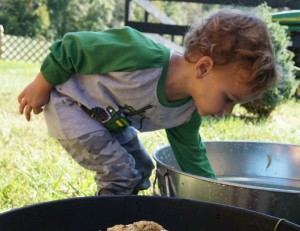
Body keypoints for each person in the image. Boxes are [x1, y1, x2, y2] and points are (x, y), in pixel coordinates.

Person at [18, 8, 278, 196]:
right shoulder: (139, 54)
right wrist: (41, 85)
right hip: (71, 106)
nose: (228, 111)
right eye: (228, 99)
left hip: (109, 121)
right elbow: (72, 48)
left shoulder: (186, 113)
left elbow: (192, 160)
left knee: (142, 168)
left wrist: (216, 198)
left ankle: (126, 221)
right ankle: (105, 230)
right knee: (120, 172)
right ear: (203, 68)